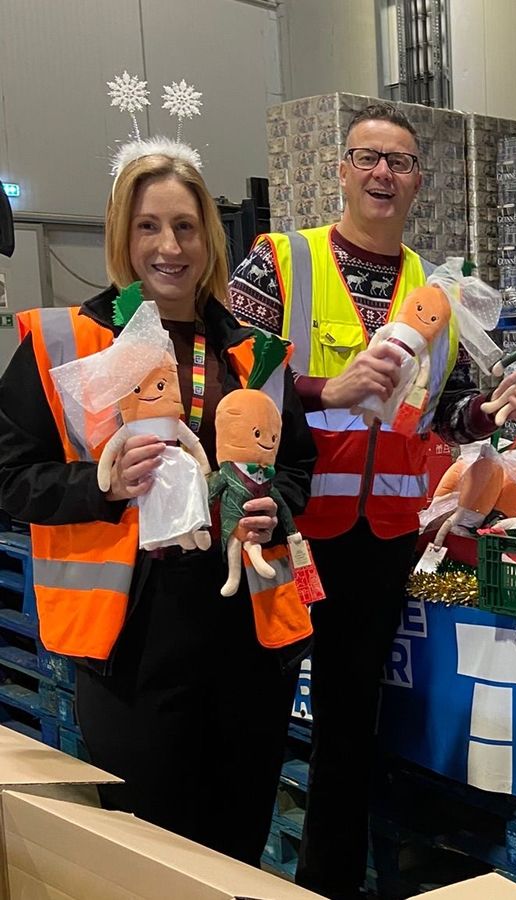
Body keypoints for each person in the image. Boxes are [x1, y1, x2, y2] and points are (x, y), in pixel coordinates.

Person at [229, 102, 516, 899]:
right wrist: (321, 387)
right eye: (368, 157)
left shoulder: (436, 292)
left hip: (379, 542)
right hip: (286, 528)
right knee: (253, 716)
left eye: (400, 163)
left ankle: (327, 884)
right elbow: (233, 385)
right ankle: (225, 872)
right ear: (340, 168)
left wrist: (490, 411)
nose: (383, 173)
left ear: (417, 182)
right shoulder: (280, 262)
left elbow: (445, 410)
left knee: (348, 733)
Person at [0, 150, 316, 865]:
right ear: (123, 235)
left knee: (237, 840)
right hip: (134, 636)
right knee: (156, 849)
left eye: (185, 226)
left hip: (246, 629)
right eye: (148, 226)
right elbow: (10, 476)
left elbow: (296, 465)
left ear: (210, 238)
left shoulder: (254, 354)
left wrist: (274, 506)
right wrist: (101, 489)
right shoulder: (64, 344)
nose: (169, 247)